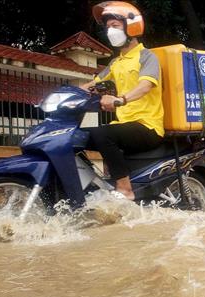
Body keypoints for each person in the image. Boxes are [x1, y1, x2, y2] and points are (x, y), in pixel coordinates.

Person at [80, 1, 164, 200]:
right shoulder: (116, 62)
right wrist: (66, 94)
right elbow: (94, 83)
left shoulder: (147, 57)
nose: (110, 31)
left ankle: (125, 189)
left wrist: (120, 100)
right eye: (108, 27)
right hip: (124, 124)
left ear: (131, 26)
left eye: (115, 26)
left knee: (102, 133)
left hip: (147, 125)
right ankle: (95, 184)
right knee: (79, 135)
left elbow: (146, 85)